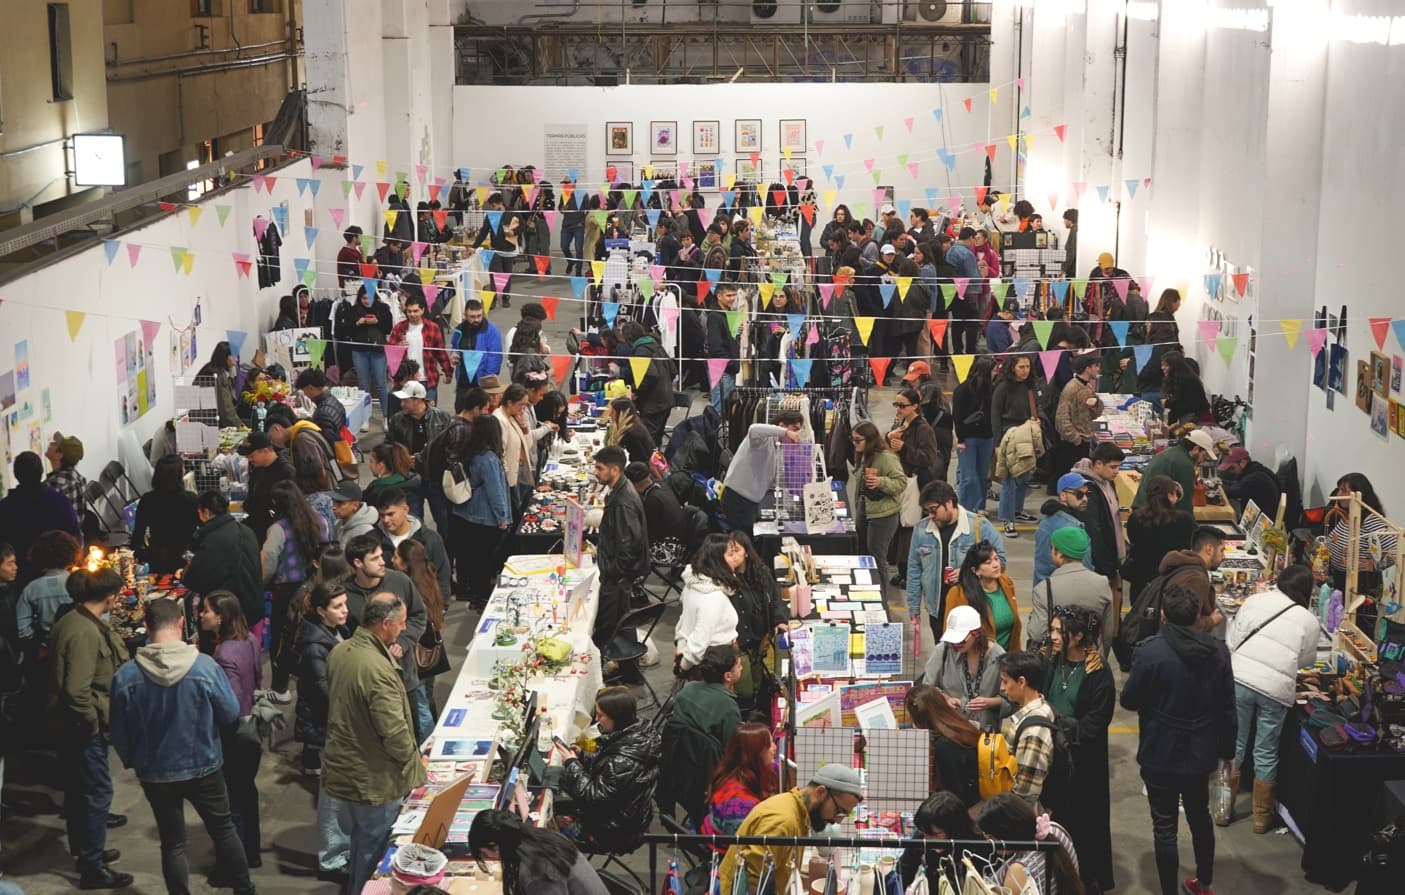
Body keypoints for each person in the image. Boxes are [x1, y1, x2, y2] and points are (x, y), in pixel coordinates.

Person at [108, 598, 254, 895]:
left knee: (173, 843)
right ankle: (244, 890)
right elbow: (230, 713)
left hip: (155, 771)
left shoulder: (126, 676)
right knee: (224, 830)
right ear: (180, 623)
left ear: (146, 626)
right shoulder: (205, 666)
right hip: (204, 764)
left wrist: (133, 760)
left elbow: (118, 731)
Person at [1121, 584, 1236, 895]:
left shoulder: (1150, 652)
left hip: (1159, 750)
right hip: (1201, 752)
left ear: (1163, 615)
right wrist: (1227, 751)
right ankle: (1205, 883)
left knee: (1165, 827)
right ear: (1197, 615)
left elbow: (1129, 699)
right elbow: (1227, 707)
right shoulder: (1218, 652)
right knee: (1200, 817)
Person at [324, 593, 427, 895]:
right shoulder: (377, 669)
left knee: (361, 839)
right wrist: (414, 764)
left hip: (348, 766)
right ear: (385, 624)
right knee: (374, 850)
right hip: (375, 776)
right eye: (401, 623)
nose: (403, 629)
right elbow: (393, 731)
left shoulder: (341, 651)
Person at [46, 567, 132, 889]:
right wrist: (94, 724)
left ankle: (86, 852)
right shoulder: (85, 632)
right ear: (109, 598)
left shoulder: (73, 620)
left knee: (78, 791)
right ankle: (93, 867)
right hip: (81, 727)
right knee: (98, 792)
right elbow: (76, 690)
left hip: (70, 724)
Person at [1227, 564, 1319, 833]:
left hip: (1240, 679)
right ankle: (1261, 818)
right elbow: (1306, 660)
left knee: (1234, 746)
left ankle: (1223, 809)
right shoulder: (1308, 620)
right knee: (1266, 751)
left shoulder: (1254, 601)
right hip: (1276, 690)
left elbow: (1232, 639)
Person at [1045, 608, 1115, 892]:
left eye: (1059, 631)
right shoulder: (1051, 660)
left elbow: (1096, 722)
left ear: (1077, 636)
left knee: (1085, 825)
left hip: (1083, 763)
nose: (1053, 636)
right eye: (1051, 630)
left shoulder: (1098, 672)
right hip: (1053, 758)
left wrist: (1064, 732)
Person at [717, 764, 865, 895]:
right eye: (838, 811)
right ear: (820, 793)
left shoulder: (796, 811)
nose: (836, 820)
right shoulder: (783, 821)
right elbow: (753, 883)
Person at [342, 535, 431, 743]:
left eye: (381, 556)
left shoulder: (400, 581)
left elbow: (419, 615)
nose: (383, 562)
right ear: (358, 563)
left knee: (412, 735)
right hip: (368, 681)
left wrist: (404, 641)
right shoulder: (345, 594)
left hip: (404, 676)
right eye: (375, 558)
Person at [198, 591, 264, 870]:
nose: (201, 615)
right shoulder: (249, 640)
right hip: (251, 729)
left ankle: (235, 863)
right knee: (247, 794)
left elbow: (230, 705)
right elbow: (258, 679)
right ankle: (251, 853)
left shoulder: (224, 654)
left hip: (234, 736)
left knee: (234, 799)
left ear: (221, 617)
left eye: (206, 610)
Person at [559, 686, 661, 853]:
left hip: (612, 832)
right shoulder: (638, 733)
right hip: (625, 816)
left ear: (617, 718)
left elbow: (594, 798)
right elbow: (610, 769)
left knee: (546, 833)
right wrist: (583, 755)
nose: (597, 719)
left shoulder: (623, 760)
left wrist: (572, 764)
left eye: (601, 715)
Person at [908, 481, 1005, 650]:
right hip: (937, 609)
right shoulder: (921, 530)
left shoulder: (979, 527)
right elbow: (914, 569)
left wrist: (968, 572)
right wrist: (914, 608)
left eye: (934, 510)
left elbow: (1000, 561)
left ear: (949, 502)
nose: (931, 515)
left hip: (971, 608)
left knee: (974, 654)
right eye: (927, 511)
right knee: (945, 654)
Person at [261, 481, 331, 698]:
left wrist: (262, 581)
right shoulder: (319, 521)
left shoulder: (278, 529)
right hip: (314, 585)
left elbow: (268, 560)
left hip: (286, 589)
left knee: (282, 638)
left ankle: (280, 688)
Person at [663, 644, 744, 822]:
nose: (742, 668)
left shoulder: (688, 690)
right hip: (709, 775)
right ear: (728, 676)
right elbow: (732, 750)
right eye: (738, 665)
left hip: (681, 767)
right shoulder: (728, 707)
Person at [467, 810, 608, 895]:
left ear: (496, 846)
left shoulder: (536, 874)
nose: (488, 857)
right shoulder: (541, 836)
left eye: (484, 853)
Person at [449, 415, 512, 606]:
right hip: (486, 518)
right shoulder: (489, 459)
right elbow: (496, 492)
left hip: (466, 514)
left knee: (472, 558)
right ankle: (483, 596)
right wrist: (502, 518)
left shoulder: (468, 452)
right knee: (485, 561)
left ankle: (473, 593)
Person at [185, 490, 266, 637]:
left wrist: (185, 571)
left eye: (199, 512)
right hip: (253, 605)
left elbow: (194, 579)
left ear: (206, 512)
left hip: (228, 613)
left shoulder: (214, 539)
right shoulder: (247, 531)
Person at [592, 446, 649, 649]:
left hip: (618, 578)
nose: (596, 472)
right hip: (617, 575)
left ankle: (617, 663)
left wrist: (613, 573)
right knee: (620, 625)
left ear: (615, 470)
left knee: (611, 628)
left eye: (600, 468)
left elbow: (628, 546)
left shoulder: (623, 502)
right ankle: (625, 664)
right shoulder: (619, 491)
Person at [977, 794, 1086, 895]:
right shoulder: (1054, 830)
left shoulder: (1018, 871)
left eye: (989, 835)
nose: (988, 840)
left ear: (1005, 833)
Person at [1025, 527, 1115, 649]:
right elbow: (1107, 633)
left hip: (1056, 657)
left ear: (1059, 554)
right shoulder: (1102, 583)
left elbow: (1037, 634)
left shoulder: (1044, 589)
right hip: (1090, 654)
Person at [720, 411, 806, 534]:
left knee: (748, 538)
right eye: (795, 429)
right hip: (737, 498)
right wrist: (786, 433)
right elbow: (753, 429)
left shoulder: (778, 448)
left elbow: (777, 477)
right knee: (742, 539)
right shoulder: (763, 440)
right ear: (782, 425)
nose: (796, 434)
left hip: (750, 502)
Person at [923, 605, 1007, 730]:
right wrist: (945, 699)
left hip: (984, 732)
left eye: (961, 640)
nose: (956, 645)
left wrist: (990, 702)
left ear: (976, 634)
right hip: (950, 728)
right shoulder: (943, 651)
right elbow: (926, 689)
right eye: (952, 641)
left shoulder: (998, 657)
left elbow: (1012, 700)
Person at [0, 451, 80, 583]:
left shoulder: (5, 507)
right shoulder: (60, 502)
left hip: (20, 577)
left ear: (16, 475)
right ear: (42, 472)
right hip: (59, 575)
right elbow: (75, 539)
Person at [850, 420, 908, 599]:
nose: (854, 443)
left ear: (869, 440)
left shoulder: (886, 457)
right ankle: (866, 590)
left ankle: (881, 596)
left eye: (858, 440)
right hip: (865, 509)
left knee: (877, 555)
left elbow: (901, 482)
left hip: (884, 514)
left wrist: (881, 482)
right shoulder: (864, 455)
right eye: (853, 439)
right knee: (863, 551)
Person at [392, 538, 450, 717]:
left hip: (417, 652)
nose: (392, 560)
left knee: (420, 702)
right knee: (427, 697)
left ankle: (428, 734)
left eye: (396, 557)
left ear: (405, 565)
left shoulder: (408, 589)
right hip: (430, 647)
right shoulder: (428, 578)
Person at [700, 721, 779, 846]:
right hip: (727, 853)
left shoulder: (740, 771)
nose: (775, 748)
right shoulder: (738, 803)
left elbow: (776, 767)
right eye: (769, 745)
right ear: (756, 754)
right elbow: (739, 848)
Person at [387, 380, 454, 528]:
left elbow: (450, 446)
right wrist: (402, 459)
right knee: (413, 522)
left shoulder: (442, 417)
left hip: (436, 478)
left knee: (444, 521)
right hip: (410, 479)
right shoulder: (397, 420)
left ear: (417, 400)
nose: (402, 404)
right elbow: (390, 445)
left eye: (405, 401)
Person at [996, 651, 1056, 811]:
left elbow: (1026, 791)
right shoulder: (1042, 706)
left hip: (1023, 815)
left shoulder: (1033, 733)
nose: (1002, 688)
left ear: (1021, 682)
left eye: (1005, 681)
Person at [904, 683, 981, 807]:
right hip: (977, 799)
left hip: (966, 808)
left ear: (919, 717)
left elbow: (952, 795)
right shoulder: (957, 727)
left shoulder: (944, 746)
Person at [674, 534, 742, 673]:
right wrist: (683, 668)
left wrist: (680, 652)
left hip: (695, 657)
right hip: (715, 665)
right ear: (717, 560)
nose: (735, 558)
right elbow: (699, 641)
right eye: (730, 554)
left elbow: (685, 623)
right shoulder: (713, 596)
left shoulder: (694, 583)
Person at [1124, 475, 1195, 605]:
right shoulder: (1185, 520)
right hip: (1172, 580)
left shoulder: (1136, 518)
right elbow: (1187, 545)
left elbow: (1133, 541)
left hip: (1142, 580)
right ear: (1170, 496)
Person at [1072, 442, 1127, 608]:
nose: (1117, 471)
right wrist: (1106, 566)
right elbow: (1094, 531)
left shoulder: (1108, 481)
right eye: (1113, 467)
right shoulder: (1087, 490)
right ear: (1097, 464)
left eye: (1119, 467)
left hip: (1112, 557)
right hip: (1100, 564)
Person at [1325, 472, 1397, 597]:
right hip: (1340, 578)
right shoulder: (1349, 514)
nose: (1338, 494)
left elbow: (1396, 552)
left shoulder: (1370, 520)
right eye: (1339, 490)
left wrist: (1374, 565)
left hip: (1358, 584)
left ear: (1358, 494)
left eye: (1344, 491)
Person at [991, 355, 1040, 536]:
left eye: (1028, 366)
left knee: (1024, 477)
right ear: (1012, 367)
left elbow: (1034, 407)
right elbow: (995, 415)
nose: (1025, 370)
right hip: (1009, 435)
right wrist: (998, 443)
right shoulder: (1003, 387)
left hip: (1027, 433)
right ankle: (1007, 518)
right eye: (1021, 367)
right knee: (1009, 481)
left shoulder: (1028, 386)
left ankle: (1017, 510)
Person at [375, 487, 451, 601]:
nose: (385, 520)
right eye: (382, 515)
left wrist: (441, 604)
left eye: (390, 514)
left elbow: (443, 574)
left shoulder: (430, 539)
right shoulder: (373, 540)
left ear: (405, 509)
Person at [945, 541, 1021, 651]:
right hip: (977, 657)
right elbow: (950, 634)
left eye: (996, 559)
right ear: (975, 570)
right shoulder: (958, 594)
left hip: (1008, 657)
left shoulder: (1006, 583)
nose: (995, 565)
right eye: (988, 562)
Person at [131, 455, 200, 574]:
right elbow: (202, 529)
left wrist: (140, 555)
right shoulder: (191, 499)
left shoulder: (147, 500)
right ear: (178, 475)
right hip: (186, 557)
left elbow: (138, 534)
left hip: (157, 557)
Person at [899, 792, 979, 892]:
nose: (928, 840)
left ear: (953, 829)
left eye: (935, 835)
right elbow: (903, 873)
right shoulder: (921, 839)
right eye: (924, 833)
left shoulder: (975, 843)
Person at [15, 531, 79, 647]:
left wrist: (38, 643)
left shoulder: (31, 588)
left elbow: (22, 628)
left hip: (46, 646)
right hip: (77, 642)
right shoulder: (79, 583)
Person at [389, 294, 454, 406]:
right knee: (407, 413)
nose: (412, 314)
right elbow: (390, 353)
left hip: (428, 379)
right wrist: (398, 347)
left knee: (430, 413)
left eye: (415, 311)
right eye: (409, 311)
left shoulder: (433, 327)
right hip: (405, 381)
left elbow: (440, 352)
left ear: (422, 310)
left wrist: (448, 372)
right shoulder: (399, 328)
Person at [1132, 428, 1216, 515]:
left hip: (1143, 510)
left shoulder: (1170, 453)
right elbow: (1184, 504)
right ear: (1196, 449)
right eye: (1204, 455)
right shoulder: (1184, 464)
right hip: (1153, 514)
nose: (1202, 460)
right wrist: (1189, 522)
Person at [341, 284, 394, 420]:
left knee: (380, 383)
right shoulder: (353, 310)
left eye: (369, 298)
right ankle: (364, 417)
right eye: (364, 298)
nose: (367, 301)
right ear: (359, 298)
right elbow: (345, 330)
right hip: (359, 351)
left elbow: (388, 328)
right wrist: (358, 323)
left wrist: (377, 321)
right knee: (363, 384)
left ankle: (387, 416)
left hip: (378, 350)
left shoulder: (383, 308)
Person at [624, 462, 693, 566]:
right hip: (678, 541)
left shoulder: (653, 500)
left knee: (625, 549)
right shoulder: (660, 484)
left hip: (669, 549)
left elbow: (648, 534)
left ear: (634, 484)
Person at [1052, 353, 1104, 485]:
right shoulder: (1071, 388)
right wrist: (1075, 439)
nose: (1098, 369)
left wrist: (1096, 403)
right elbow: (1061, 418)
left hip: (1084, 438)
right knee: (1073, 480)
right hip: (1074, 443)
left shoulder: (1087, 387)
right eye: (1095, 366)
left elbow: (1096, 413)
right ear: (1087, 368)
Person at [952, 355, 996, 513]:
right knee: (968, 477)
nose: (995, 373)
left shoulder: (992, 389)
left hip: (987, 437)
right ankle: (965, 509)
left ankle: (980, 506)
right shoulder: (962, 390)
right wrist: (960, 439)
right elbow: (957, 416)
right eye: (993, 370)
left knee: (982, 476)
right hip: (968, 438)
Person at [620, 320, 675, 443]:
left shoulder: (640, 351)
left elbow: (650, 376)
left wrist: (635, 391)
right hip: (666, 401)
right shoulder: (656, 345)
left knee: (647, 442)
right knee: (656, 441)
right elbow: (673, 370)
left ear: (628, 339)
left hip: (653, 405)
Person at [237, 431, 295, 545]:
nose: (249, 459)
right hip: (257, 529)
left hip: (276, 534)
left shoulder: (286, 472)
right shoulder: (257, 470)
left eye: (251, 456)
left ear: (265, 451)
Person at [453, 299, 505, 393]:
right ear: (465, 315)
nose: (476, 320)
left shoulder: (492, 330)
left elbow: (495, 357)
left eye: (479, 316)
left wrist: (487, 381)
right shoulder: (459, 330)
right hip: (462, 381)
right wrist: (453, 354)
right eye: (472, 317)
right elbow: (454, 347)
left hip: (482, 382)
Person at [1217, 446, 1281, 518]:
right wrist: (1218, 481)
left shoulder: (1256, 478)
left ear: (1243, 462)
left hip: (1262, 522)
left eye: (1232, 468)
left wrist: (1214, 485)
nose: (1231, 471)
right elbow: (1236, 484)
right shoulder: (1255, 471)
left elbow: (1232, 491)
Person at [707, 283, 742, 412]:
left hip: (728, 368)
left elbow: (730, 340)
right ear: (719, 296)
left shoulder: (728, 314)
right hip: (721, 369)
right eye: (728, 295)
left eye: (734, 295)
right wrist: (730, 363)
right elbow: (715, 346)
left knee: (726, 406)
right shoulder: (715, 316)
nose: (732, 298)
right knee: (719, 408)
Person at [294, 368, 349, 446]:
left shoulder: (322, 414)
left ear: (310, 388)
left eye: (304, 391)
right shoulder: (334, 400)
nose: (305, 395)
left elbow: (326, 445)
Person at [195, 342, 242, 428]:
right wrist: (239, 425)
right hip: (213, 423)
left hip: (201, 421)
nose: (236, 360)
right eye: (234, 356)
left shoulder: (207, 368)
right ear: (225, 357)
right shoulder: (219, 375)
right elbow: (225, 407)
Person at [364, 443, 420, 511]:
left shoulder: (377, 492)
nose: (369, 465)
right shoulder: (412, 482)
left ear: (381, 465)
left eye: (371, 461)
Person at [1161, 352, 1212, 424]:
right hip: (1189, 418)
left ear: (1174, 366)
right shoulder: (1175, 380)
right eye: (1162, 365)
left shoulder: (1187, 380)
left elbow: (1185, 404)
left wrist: (1167, 403)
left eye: (1166, 365)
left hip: (1199, 420)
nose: (1162, 368)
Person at [605, 396, 656, 465]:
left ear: (621, 413)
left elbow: (640, 461)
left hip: (642, 468)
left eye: (613, 412)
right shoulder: (634, 424)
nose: (610, 415)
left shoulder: (631, 433)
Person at [330, 479, 379, 546]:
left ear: (355, 505)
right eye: (333, 501)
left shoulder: (365, 532)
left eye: (340, 503)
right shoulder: (338, 524)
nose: (334, 507)